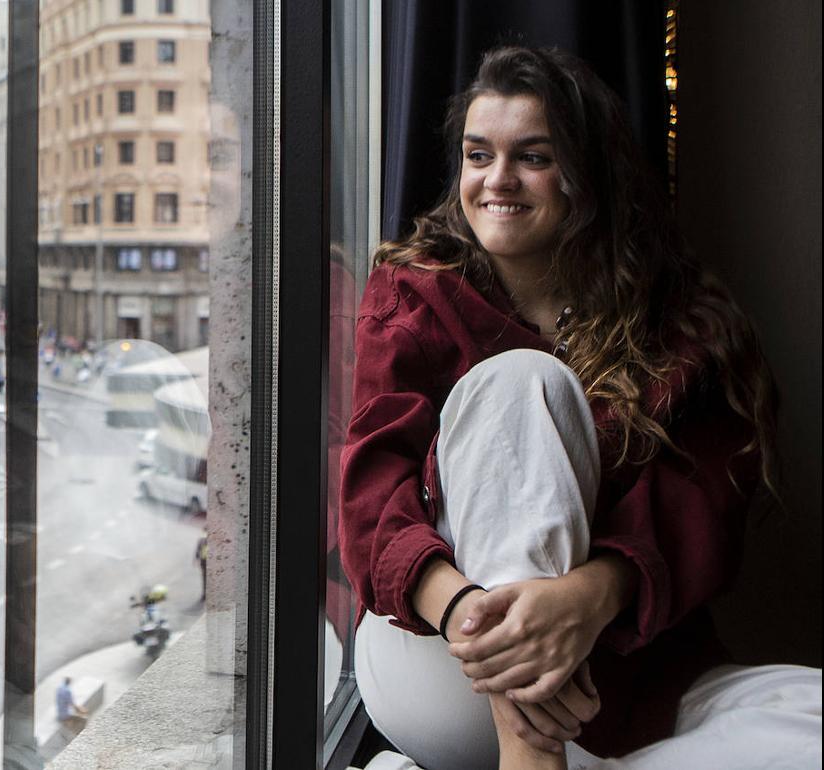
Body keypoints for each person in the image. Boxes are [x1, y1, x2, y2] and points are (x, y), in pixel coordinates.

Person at [339, 46, 820, 770]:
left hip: (612, 684)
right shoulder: (416, 294)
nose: (497, 180)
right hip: (445, 658)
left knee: (809, 719)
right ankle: (528, 751)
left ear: (586, 175)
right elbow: (371, 500)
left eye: (531, 156)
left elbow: (703, 512)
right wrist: (476, 618)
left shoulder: (684, 321)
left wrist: (585, 601)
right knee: (522, 383)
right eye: (478, 155)